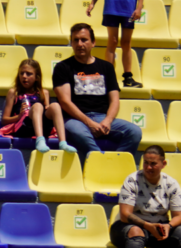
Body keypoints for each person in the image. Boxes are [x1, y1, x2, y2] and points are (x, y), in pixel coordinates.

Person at [53, 23, 141, 159]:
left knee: (134, 132)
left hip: (102, 118)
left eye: (84, 40)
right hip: (75, 119)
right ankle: (100, 162)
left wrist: (108, 121)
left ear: (93, 42)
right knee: (80, 133)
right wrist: (89, 123)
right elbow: (65, 102)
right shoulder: (62, 67)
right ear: (71, 43)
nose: (80, 44)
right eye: (75, 40)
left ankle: (118, 163)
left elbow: (115, 100)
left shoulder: (106, 67)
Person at [110, 145, 181, 248]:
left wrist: (168, 226)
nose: (148, 167)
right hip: (127, 228)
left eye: (153, 164)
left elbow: (179, 216)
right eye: (146, 162)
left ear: (163, 164)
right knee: (135, 231)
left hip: (159, 228)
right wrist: (148, 226)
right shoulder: (132, 180)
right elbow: (125, 215)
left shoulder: (171, 183)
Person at [0, 59, 76, 153]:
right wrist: (19, 116)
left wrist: (47, 108)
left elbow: (47, 112)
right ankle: (40, 141)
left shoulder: (44, 93)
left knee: (55, 105)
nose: (24, 76)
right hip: (24, 127)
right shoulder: (14, 92)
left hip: (42, 127)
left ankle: (63, 143)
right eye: (21, 73)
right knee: (38, 106)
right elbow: (4, 120)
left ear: (37, 77)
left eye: (29, 74)